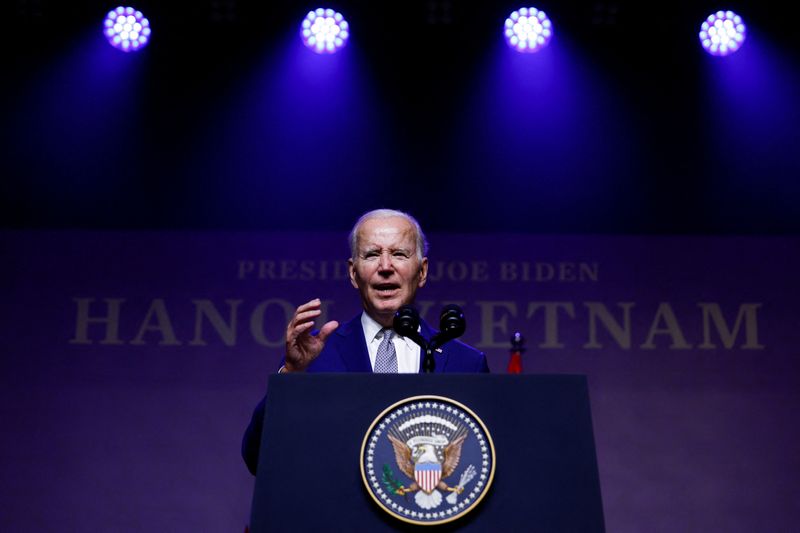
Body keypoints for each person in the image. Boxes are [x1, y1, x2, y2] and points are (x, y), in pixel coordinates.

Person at [242, 209, 489, 474]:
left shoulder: (467, 363)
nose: (385, 267)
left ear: (422, 271)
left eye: (399, 254)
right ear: (353, 272)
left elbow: (485, 462)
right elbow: (258, 458)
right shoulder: (314, 357)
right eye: (372, 255)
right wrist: (290, 376)